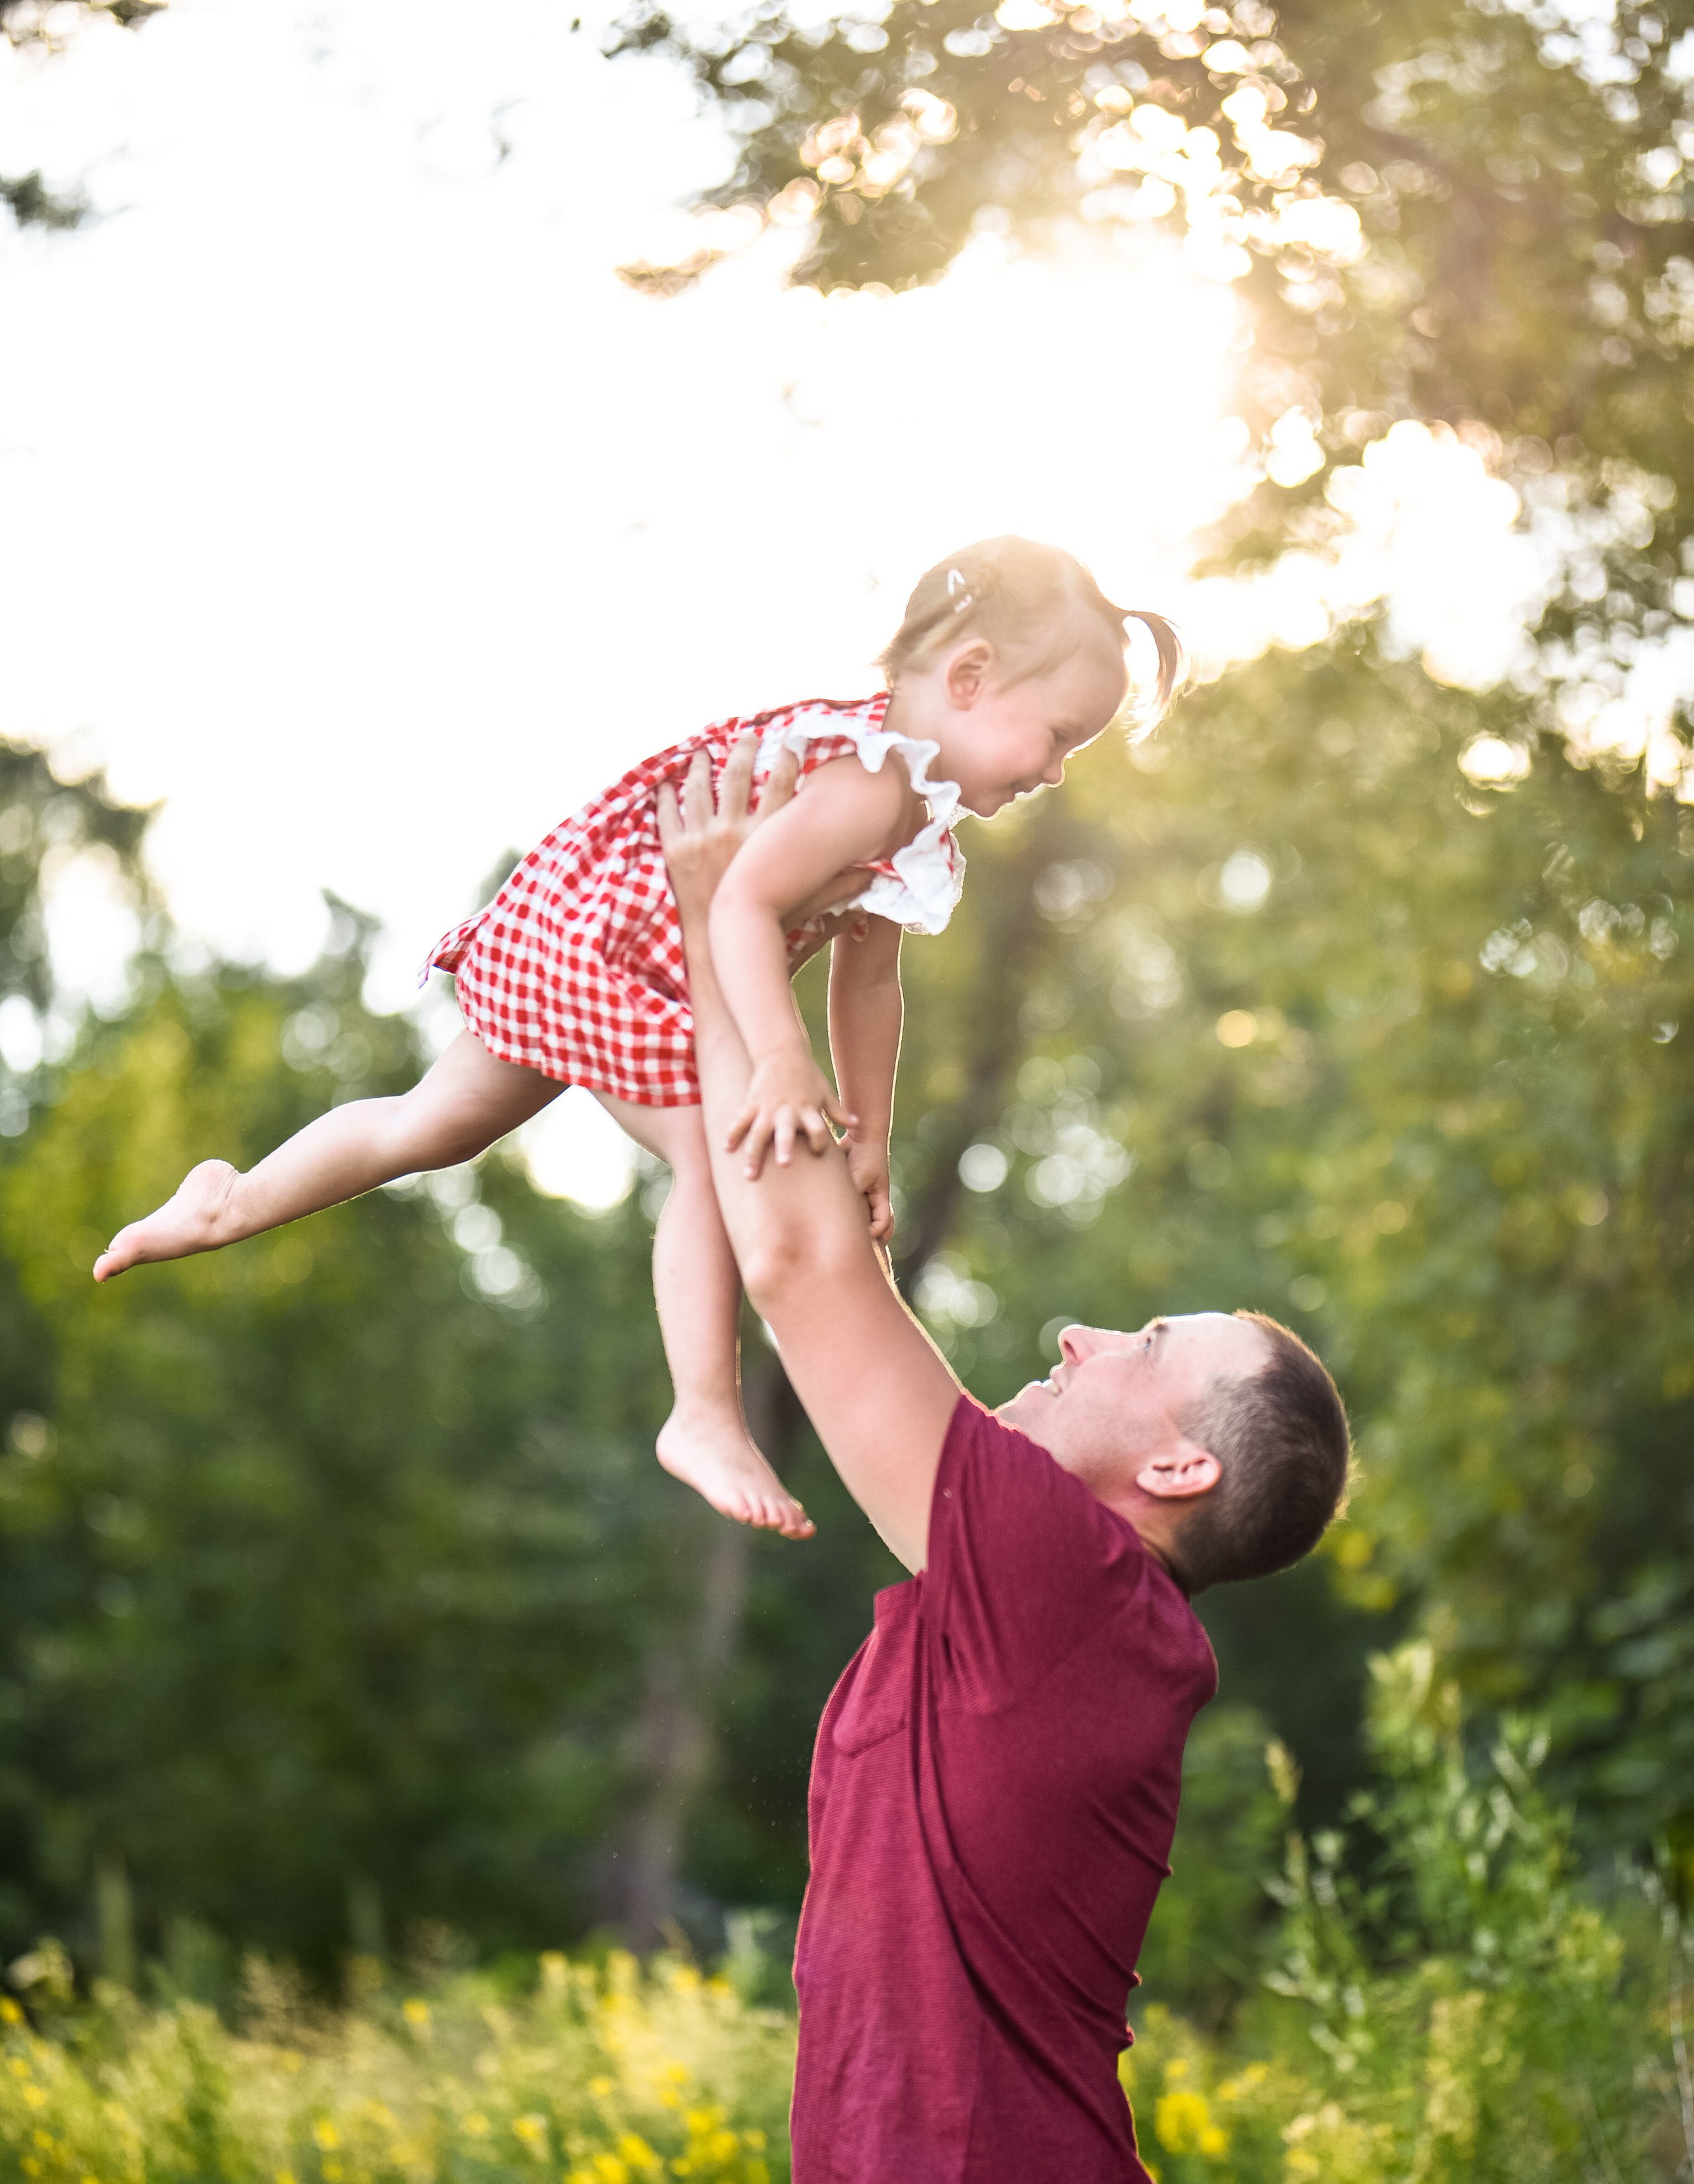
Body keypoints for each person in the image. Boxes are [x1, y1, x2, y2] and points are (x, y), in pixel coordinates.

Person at [654, 740, 1351, 2184]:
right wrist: (776, 971)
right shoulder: (1022, 1619)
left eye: (1138, 1341)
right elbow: (769, 1213)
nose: (1073, 1332)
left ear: (1179, 1463)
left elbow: (810, 1273)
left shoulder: (1073, 1591)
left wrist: (725, 907)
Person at [89, 537, 1181, 1540]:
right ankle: (700, 1412)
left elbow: (870, 972)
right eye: (1059, 736)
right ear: (973, 678)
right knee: (722, 1148)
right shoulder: (864, 779)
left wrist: (870, 1135)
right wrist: (783, 1062)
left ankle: (232, 1197)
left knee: (437, 1123)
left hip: (598, 941)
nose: (1055, 771)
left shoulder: (911, 805)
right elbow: (742, 907)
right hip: (604, 946)